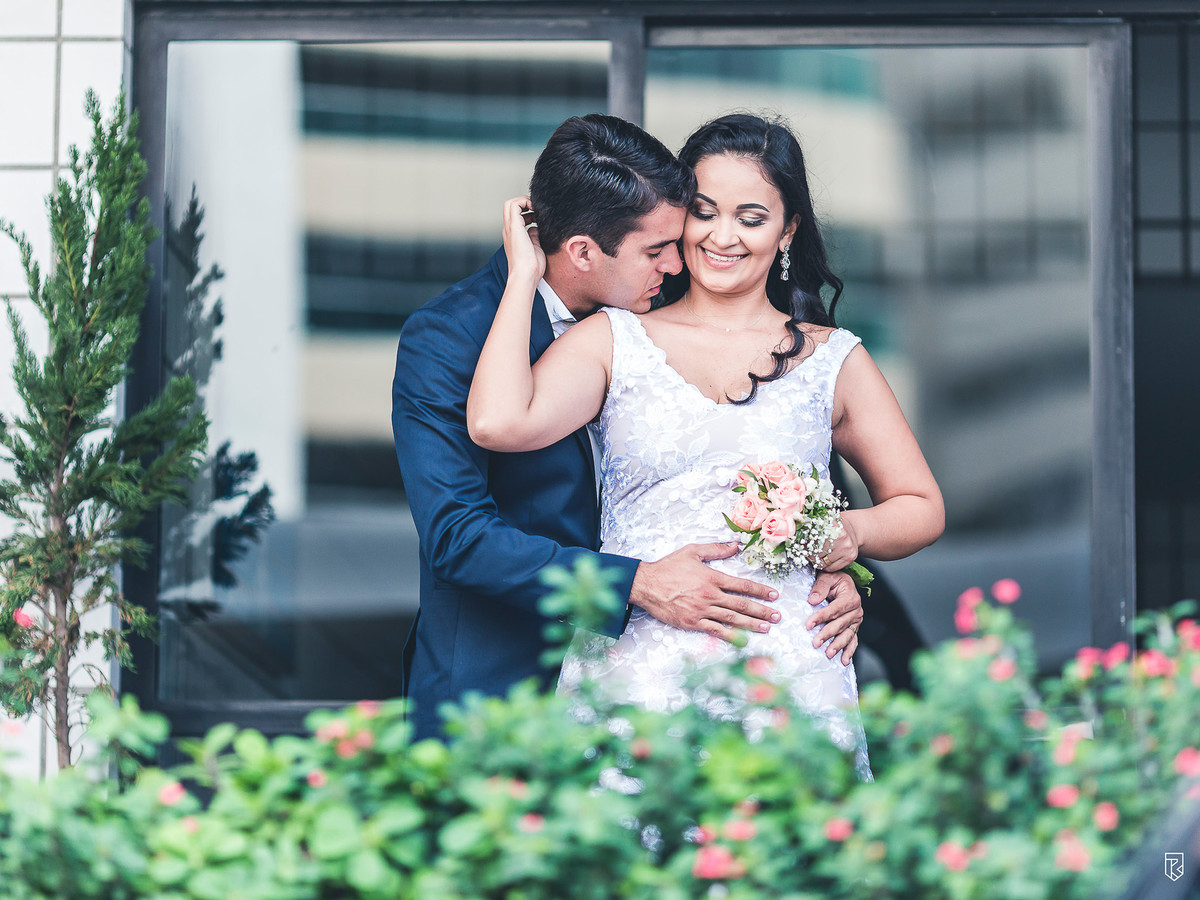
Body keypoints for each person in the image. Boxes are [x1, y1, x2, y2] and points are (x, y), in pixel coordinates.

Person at [467, 113, 945, 777]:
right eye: (704, 211)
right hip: (639, 669)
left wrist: (847, 535)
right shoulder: (614, 339)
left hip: (790, 673)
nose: (723, 237)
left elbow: (921, 504)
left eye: (751, 217)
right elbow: (497, 422)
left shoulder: (833, 359)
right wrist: (524, 276)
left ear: (788, 230)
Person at [392, 114, 867, 743]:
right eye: (656, 250)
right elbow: (456, 538)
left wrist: (826, 571)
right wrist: (636, 582)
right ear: (585, 251)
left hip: (664, 688)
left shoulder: (664, 324)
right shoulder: (449, 337)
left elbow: (774, 481)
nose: (678, 264)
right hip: (502, 694)